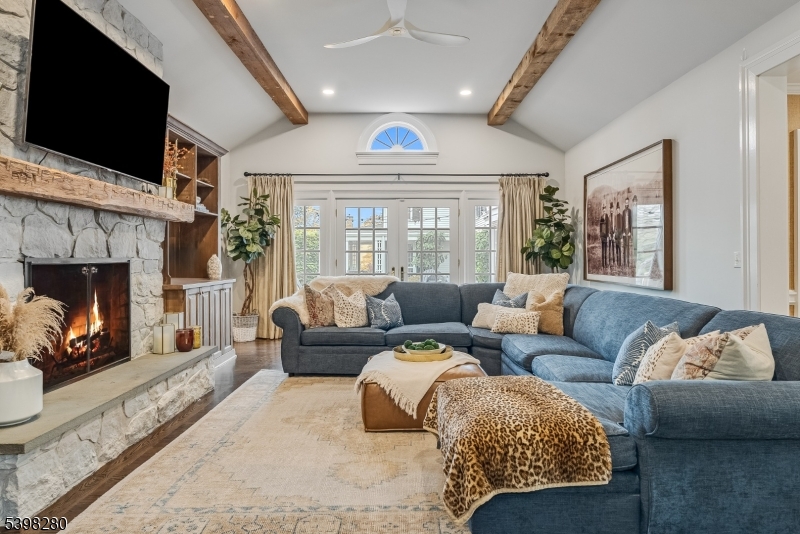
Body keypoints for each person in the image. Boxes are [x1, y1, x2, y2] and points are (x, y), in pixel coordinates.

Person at [622, 197, 633, 269]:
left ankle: (628, 263)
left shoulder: (630, 211)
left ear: (628, 203)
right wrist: (623, 232)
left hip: (628, 231)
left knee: (628, 247)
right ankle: (624, 263)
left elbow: (630, 222)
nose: (626, 203)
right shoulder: (623, 211)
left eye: (627, 202)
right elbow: (623, 222)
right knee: (624, 247)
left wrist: (630, 232)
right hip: (624, 231)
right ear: (625, 203)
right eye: (626, 202)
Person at [599, 204, 610, 269]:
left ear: (606, 211)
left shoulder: (607, 217)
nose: (604, 211)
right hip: (602, 236)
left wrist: (608, 236)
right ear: (602, 211)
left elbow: (608, 227)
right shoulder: (601, 217)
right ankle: (603, 264)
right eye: (603, 210)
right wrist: (600, 235)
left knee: (606, 249)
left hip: (606, 236)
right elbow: (600, 227)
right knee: (603, 250)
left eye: (605, 210)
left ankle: (606, 264)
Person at [614, 202, 623, 267]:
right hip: (616, 236)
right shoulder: (615, 217)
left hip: (620, 235)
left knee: (620, 249)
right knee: (616, 249)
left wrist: (621, 236)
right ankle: (617, 262)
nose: (617, 210)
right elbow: (614, 226)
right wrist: (615, 233)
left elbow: (622, 226)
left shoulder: (621, 216)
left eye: (618, 209)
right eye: (616, 209)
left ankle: (620, 263)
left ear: (619, 209)